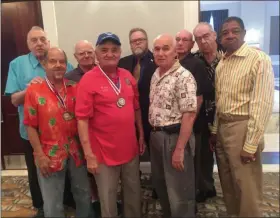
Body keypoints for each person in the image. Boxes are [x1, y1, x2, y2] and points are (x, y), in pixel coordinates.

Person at [4, 26, 73, 217]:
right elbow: (14, 99)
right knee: (37, 172)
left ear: (48, 42)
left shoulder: (58, 60)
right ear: (28, 44)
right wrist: (33, 89)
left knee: (64, 170)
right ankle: (42, 208)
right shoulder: (17, 64)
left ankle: (64, 202)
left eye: (42, 39)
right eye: (34, 40)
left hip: (61, 132)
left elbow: (74, 84)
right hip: (32, 132)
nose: (39, 43)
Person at [75, 32, 145, 218]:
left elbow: (136, 108)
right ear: (96, 54)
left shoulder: (128, 76)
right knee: (108, 198)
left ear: (120, 52)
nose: (110, 54)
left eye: (114, 50)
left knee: (133, 194)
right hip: (103, 153)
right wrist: (88, 154)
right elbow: (82, 119)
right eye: (104, 50)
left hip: (129, 149)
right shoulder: (88, 80)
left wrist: (141, 135)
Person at [210, 17, 274, 217]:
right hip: (222, 128)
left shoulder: (258, 59)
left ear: (244, 33)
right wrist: (214, 131)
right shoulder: (222, 63)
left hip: (242, 128)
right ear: (220, 38)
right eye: (225, 32)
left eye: (235, 31)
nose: (229, 35)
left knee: (247, 187)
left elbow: (262, 103)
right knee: (228, 184)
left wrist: (251, 143)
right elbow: (220, 99)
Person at [23, 47, 92, 217]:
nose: (58, 65)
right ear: (44, 64)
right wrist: (39, 155)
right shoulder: (34, 90)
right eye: (53, 61)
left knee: (83, 194)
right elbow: (30, 125)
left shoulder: (76, 88)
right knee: (53, 202)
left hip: (77, 151)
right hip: (49, 153)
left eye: (62, 61)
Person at [65, 40, 122, 216]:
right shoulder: (69, 78)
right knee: (88, 172)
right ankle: (94, 202)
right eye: (81, 53)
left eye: (89, 52)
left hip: (104, 136)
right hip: (81, 133)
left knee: (106, 173)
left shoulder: (107, 72)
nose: (86, 56)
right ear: (75, 57)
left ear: (94, 54)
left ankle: (107, 201)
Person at [149, 34, 197, 218]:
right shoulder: (156, 73)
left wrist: (179, 149)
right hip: (156, 137)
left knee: (180, 191)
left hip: (175, 138)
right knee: (162, 186)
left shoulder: (184, 77)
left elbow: (189, 115)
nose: (160, 53)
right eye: (157, 49)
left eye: (165, 48)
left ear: (175, 51)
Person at [118, 27, 158, 198]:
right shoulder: (123, 63)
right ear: (130, 44)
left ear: (147, 41)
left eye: (141, 39)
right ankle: (132, 185)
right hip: (128, 117)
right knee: (128, 153)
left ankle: (158, 186)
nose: (137, 43)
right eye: (134, 41)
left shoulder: (158, 60)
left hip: (152, 117)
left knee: (156, 154)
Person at [175, 29, 211, 205]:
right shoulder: (172, 63)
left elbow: (199, 98)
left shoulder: (196, 64)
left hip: (192, 125)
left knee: (193, 163)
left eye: (185, 40)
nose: (180, 43)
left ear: (191, 44)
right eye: (178, 39)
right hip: (174, 126)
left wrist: (188, 124)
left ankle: (195, 194)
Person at [192, 22, 222, 202]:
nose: (203, 41)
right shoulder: (195, 60)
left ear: (214, 35)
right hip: (202, 114)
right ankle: (206, 186)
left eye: (206, 36)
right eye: (198, 38)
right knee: (202, 154)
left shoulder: (227, 57)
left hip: (224, 112)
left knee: (224, 155)